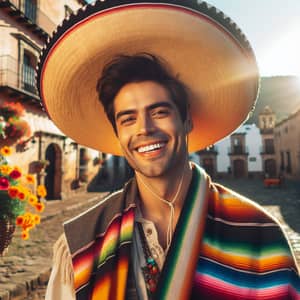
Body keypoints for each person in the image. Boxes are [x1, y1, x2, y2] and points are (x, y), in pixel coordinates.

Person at [37, 0, 300, 299]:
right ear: (118, 134)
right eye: (128, 118)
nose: (144, 128)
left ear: (186, 120)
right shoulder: (80, 246)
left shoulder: (259, 235)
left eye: (159, 111)